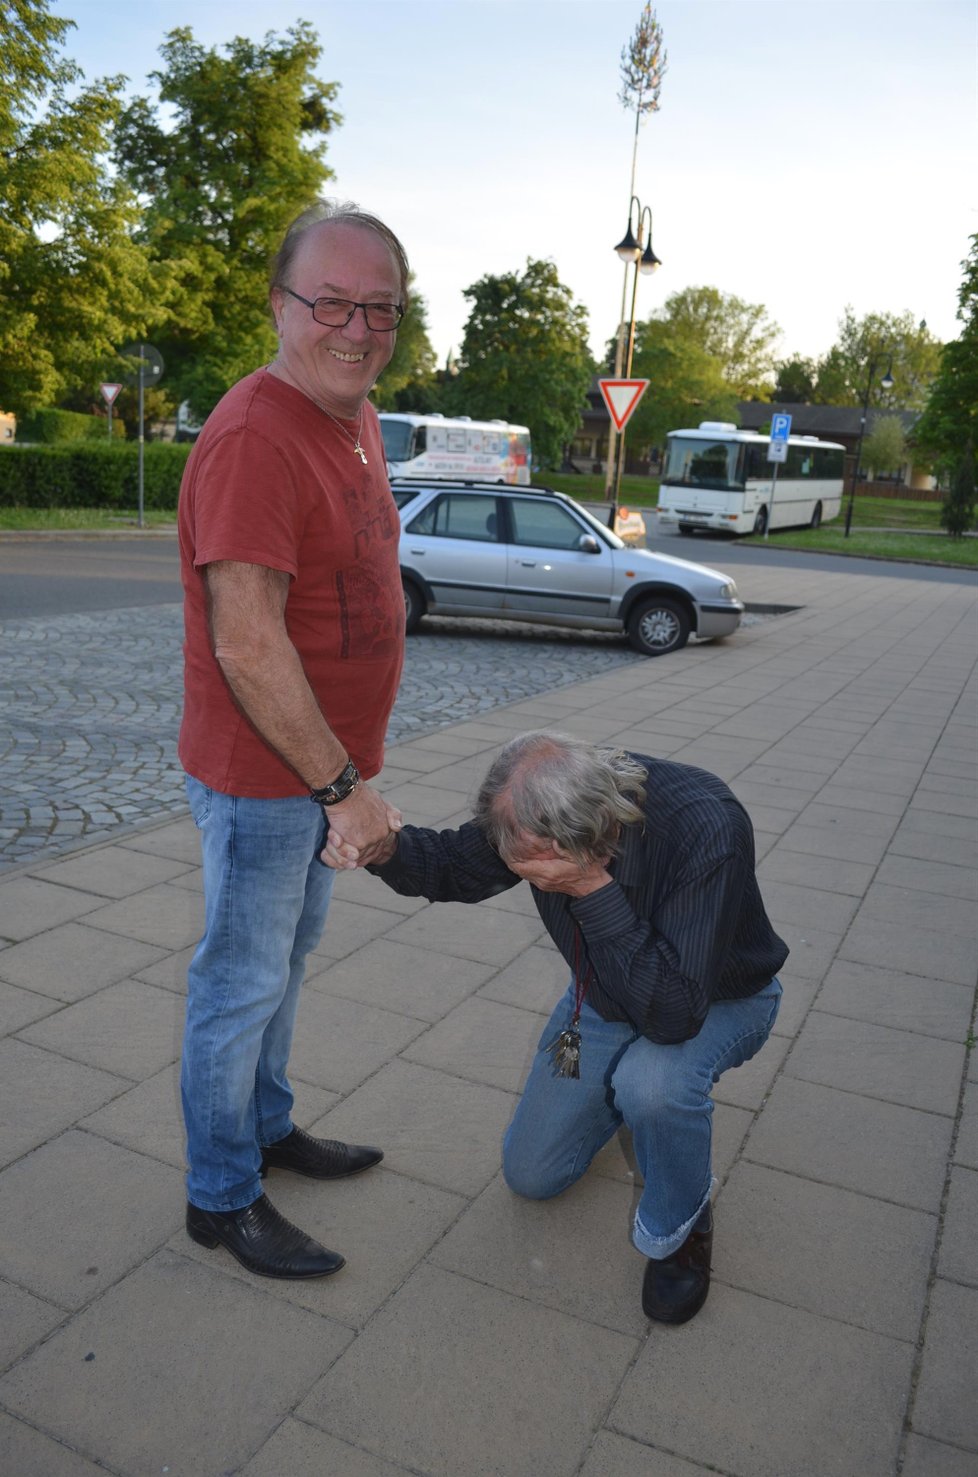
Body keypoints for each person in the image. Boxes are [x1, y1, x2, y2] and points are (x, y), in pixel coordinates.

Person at [324, 731, 788, 1323]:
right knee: (532, 1175)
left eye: (532, 869)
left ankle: (681, 1222)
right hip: (604, 995)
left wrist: (590, 890)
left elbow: (675, 1014)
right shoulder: (533, 804)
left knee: (653, 1086)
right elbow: (454, 868)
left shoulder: (708, 826)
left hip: (719, 997)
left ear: (584, 842)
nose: (519, 874)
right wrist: (380, 847)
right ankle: (619, 1102)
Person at [177, 199, 408, 1280]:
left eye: (381, 308)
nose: (357, 328)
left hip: (319, 778)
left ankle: (267, 1127)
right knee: (239, 984)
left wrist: (348, 773)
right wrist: (341, 789)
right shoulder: (256, 437)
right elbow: (249, 645)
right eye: (332, 302)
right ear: (281, 306)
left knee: (283, 966)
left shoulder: (349, 413)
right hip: (271, 780)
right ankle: (221, 1195)